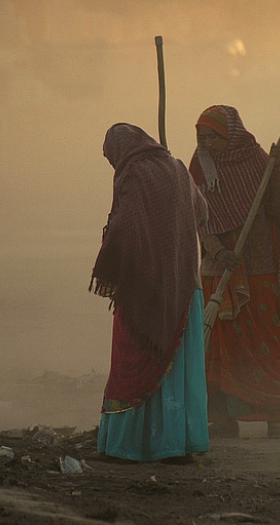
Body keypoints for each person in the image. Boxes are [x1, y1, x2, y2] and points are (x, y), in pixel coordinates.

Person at [189, 105, 280, 439]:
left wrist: (276, 167)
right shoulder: (200, 166)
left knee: (267, 342)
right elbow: (197, 217)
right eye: (201, 137)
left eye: (212, 137)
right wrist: (220, 252)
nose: (205, 143)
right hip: (219, 271)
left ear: (230, 135)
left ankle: (273, 416)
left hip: (260, 268)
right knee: (217, 347)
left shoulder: (259, 159)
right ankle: (222, 419)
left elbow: (277, 207)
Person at [90, 123, 210, 461]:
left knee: (134, 364)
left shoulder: (132, 175)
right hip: (185, 286)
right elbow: (201, 211)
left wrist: (107, 262)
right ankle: (174, 445)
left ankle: (126, 446)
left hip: (144, 291)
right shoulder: (176, 168)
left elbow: (124, 227)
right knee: (176, 369)